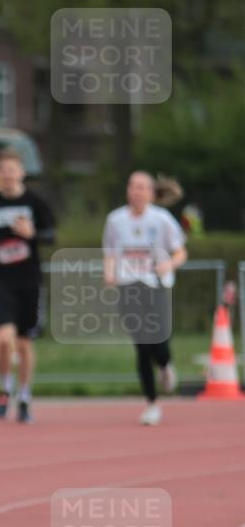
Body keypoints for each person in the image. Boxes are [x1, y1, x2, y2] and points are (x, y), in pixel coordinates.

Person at [0, 148, 54, 423]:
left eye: (13, 170)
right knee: (4, 339)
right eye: (3, 170)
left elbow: (51, 232)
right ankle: (5, 388)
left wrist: (34, 234)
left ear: (21, 172)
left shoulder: (34, 201)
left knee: (23, 343)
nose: (8, 175)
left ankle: (25, 395)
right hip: (2, 279)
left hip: (29, 280)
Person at [102, 171, 187, 426]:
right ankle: (151, 404)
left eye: (141, 187)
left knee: (158, 342)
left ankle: (165, 364)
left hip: (155, 285)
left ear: (151, 193)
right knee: (141, 344)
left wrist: (168, 264)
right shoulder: (115, 220)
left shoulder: (161, 219)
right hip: (129, 286)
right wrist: (109, 274)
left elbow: (181, 252)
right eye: (132, 186)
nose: (135, 191)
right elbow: (110, 253)